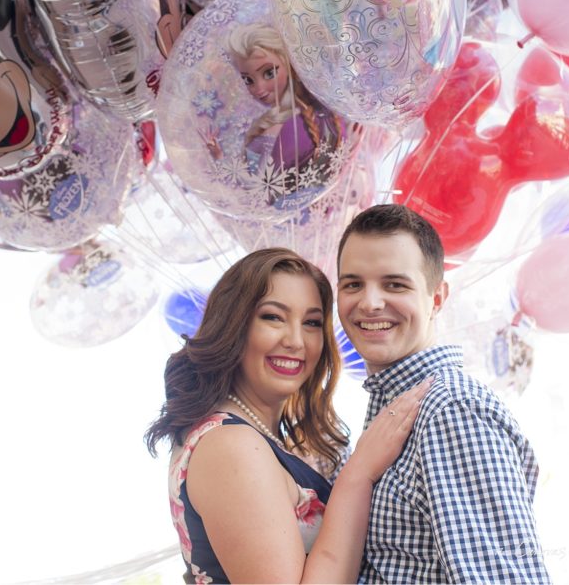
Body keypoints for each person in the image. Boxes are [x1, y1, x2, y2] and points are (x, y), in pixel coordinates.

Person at [145, 248, 432, 583]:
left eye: (311, 323)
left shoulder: (257, 437)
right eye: (273, 317)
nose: (296, 341)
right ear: (233, 324)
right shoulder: (231, 445)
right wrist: (360, 474)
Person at [335, 204, 551, 583]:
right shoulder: (398, 403)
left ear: (437, 298)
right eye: (353, 284)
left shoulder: (450, 410)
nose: (369, 303)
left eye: (394, 284)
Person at [226, 24, 343, 181]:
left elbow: (259, 187)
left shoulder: (287, 127)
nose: (259, 89)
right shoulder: (319, 113)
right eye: (248, 80)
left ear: (289, 64)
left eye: (269, 73)